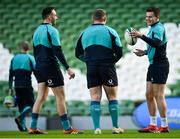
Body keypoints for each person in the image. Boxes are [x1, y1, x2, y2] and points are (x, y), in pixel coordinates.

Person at [28, 7, 82, 134]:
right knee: (60, 96)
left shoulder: (36, 31)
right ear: (49, 16)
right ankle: (67, 128)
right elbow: (57, 50)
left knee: (40, 97)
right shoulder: (52, 30)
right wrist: (68, 68)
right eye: (55, 15)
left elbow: (35, 52)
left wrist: (39, 66)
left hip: (39, 67)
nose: (56, 17)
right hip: (50, 66)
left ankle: (33, 127)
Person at [75, 9, 124, 134]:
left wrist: (88, 61)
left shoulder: (84, 33)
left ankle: (97, 128)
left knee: (95, 97)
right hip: (107, 66)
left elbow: (77, 53)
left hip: (91, 67)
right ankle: (115, 127)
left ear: (93, 18)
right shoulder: (111, 31)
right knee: (112, 97)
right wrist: (112, 61)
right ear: (105, 18)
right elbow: (119, 52)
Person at [130, 7, 169, 133]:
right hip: (153, 64)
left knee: (159, 95)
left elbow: (157, 43)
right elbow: (156, 46)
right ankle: (152, 125)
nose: (148, 18)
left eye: (151, 16)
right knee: (149, 95)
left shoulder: (158, 28)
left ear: (157, 17)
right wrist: (145, 52)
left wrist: (141, 36)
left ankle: (164, 126)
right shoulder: (152, 28)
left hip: (160, 65)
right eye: (147, 16)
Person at [9, 41, 36, 132]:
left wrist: (10, 88)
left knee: (21, 106)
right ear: (29, 48)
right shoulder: (30, 58)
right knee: (32, 106)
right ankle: (20, 118)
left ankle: (23, 127)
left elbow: (10, 74)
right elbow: (36, 71)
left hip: (17, 85)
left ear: (20, 48)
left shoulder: (14, 58)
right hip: (26, 85)